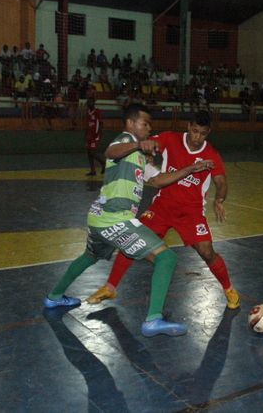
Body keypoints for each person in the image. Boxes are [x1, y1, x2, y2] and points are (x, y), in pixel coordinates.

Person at [43, 103, 215, 338]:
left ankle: (54, 297)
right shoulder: (125, 141)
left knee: (89, 257)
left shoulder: (139, 156)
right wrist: (137, 144)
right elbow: (110, 152)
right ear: (131, 123)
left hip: (99, 219)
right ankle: (153, 320)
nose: (149, 129)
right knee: (166, 258)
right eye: (145, 124)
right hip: (116, 219)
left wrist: (190, 169)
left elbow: (159, 180)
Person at [86, 111, 240, 310]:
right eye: (194, 131)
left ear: (208, 132)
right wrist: (148, 152)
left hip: (191, 212)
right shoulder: (170, 138)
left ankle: (229, 289)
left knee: (207, 252)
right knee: (132, 241)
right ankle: (110, 287)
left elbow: (221, 181)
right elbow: (151, 144)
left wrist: (219, 199)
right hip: (162, 206)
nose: (197, 137)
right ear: (188, 126)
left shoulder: (211, 154)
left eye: (202, 133)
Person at [85, 97, 106, 176]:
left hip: (95, 135)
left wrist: (99, 133)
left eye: (90, 102)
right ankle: (93, 170)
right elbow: (88, 124)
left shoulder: (97, 112)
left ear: (93, 103)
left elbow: (101, 123)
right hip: (89, 135)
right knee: (89, 152)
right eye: (88, 102)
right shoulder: (88, 112)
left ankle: (103, 163)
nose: (89, 104)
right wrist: (85, 135)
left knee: (92, 152)